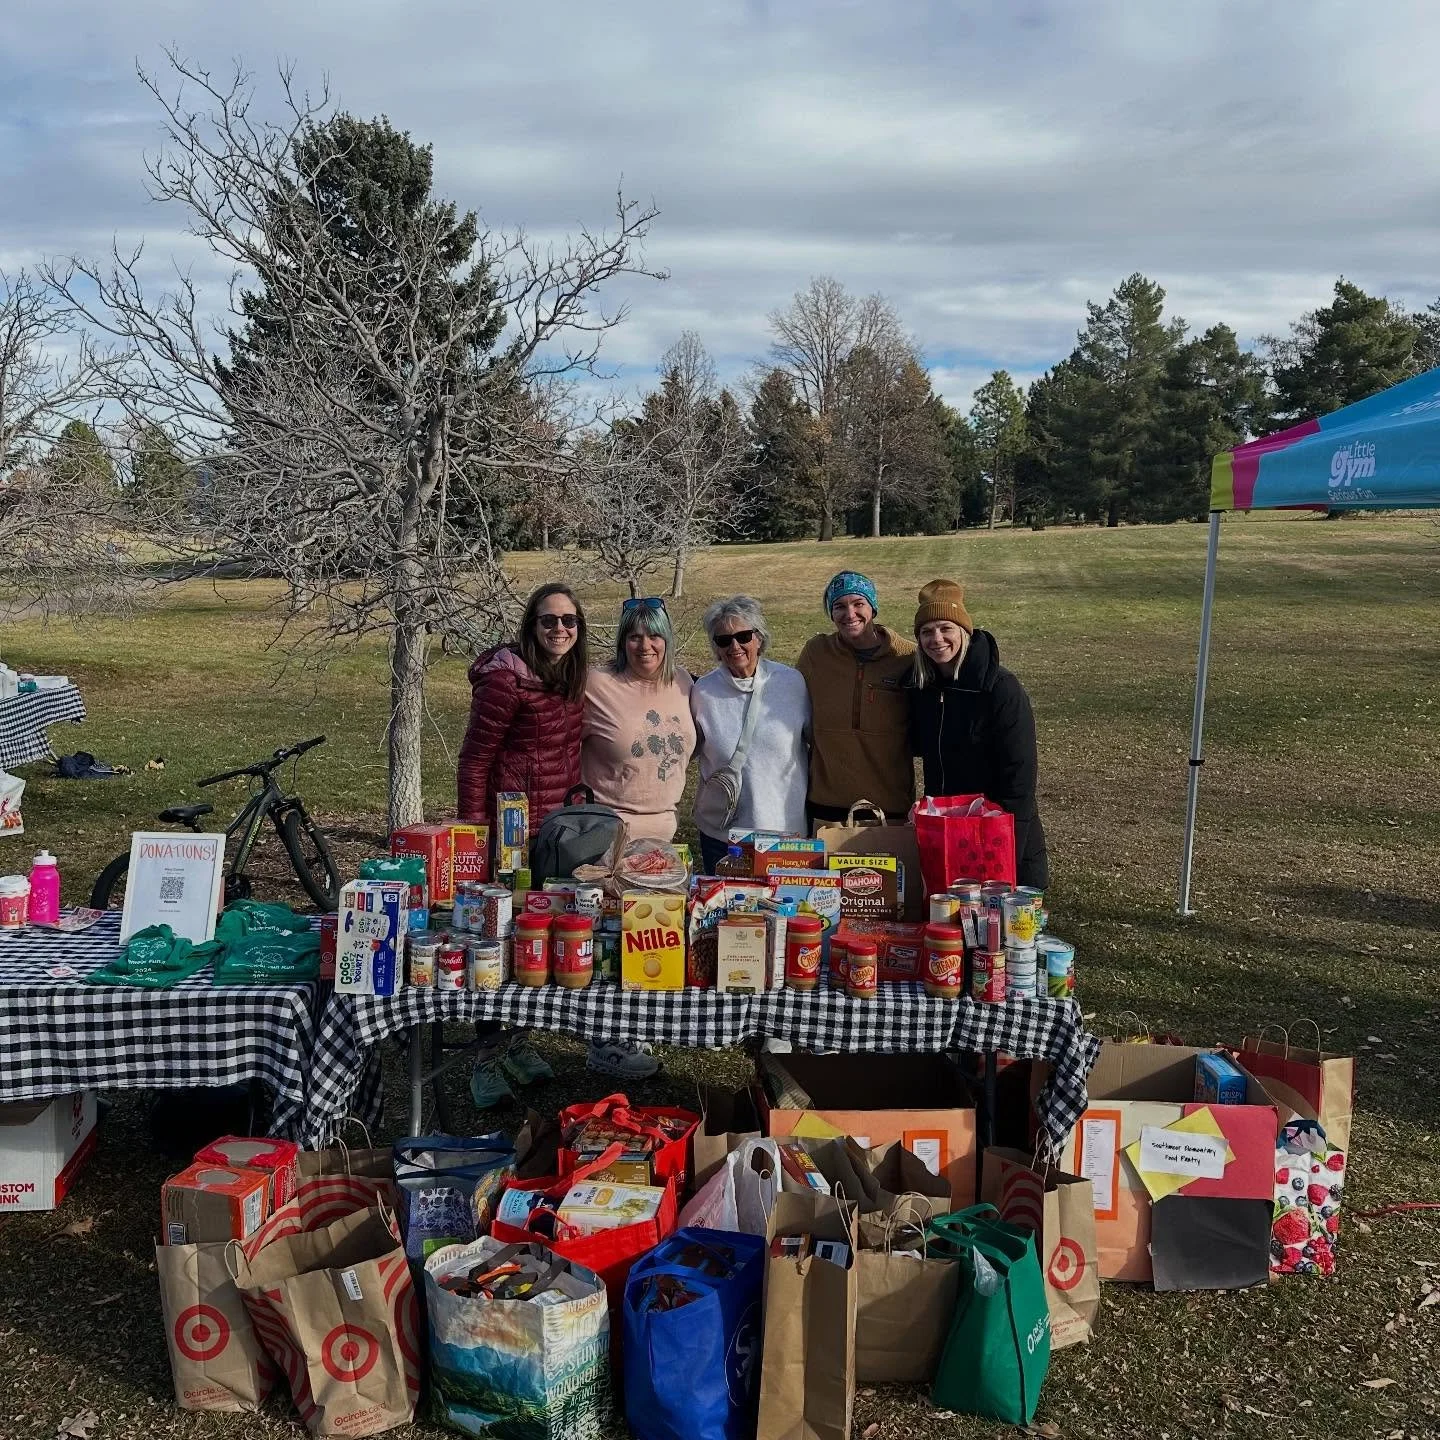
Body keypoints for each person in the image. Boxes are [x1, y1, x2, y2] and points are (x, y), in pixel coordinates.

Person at [456, 582, 588, 1107]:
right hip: (507, 833)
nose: (560, 630)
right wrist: (472, 833)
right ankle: (485, 1059)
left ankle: (518, 1043)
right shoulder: (505, 680)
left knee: (533, 936)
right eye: (549, 621)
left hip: (555, 833)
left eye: (570, 622)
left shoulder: (571, 677)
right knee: (497, 937)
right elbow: (474, 759)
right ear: (531, 626)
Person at [581, 597, 698, 1079]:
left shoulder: (684, 683)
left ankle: (640, 1027)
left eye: (654, 635)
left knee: (650, 935)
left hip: (664, 831)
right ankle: (605, 1041)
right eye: (633, 635)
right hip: (610, 832)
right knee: (607, 937)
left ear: (667, 640)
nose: (644, 645)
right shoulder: (597, 683)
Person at [907, 578, 1049, 888]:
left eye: (946, 628)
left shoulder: (1001, 689)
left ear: (964, 632)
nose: (937, 639)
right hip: (946, 840)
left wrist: (1009, 851)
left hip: (999, 840)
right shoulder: (922, 689)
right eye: (926, 631)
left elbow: (1020, 781)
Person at [691, 595, 811, 873]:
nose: (735, 646)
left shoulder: (791, 683)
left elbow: (816, 741)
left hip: (785, 833)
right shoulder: (703, 692)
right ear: (716, 648)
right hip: (724, 836)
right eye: (723, 640)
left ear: (759, 638)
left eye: (743, 636)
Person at [796, 570, 917, 825]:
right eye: (839, 606)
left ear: (873, 607)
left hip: (889, 806)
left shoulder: (907, 657)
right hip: (826, 806)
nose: (849, 614)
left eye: (858, 603)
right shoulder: (816, 654)